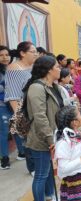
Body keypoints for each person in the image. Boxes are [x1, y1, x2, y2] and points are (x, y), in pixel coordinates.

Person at [24, 56, 64, 201]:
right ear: (48, 70)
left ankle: (49, 196)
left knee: (48, 172)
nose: (60, 69)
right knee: (41, 174)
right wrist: (49, 139)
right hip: (41, 138)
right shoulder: (36, 87)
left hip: (52, 136)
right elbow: (39, 116)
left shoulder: (53, 86)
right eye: (57, 67)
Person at [5, 41, 37, 172]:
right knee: (29, 142)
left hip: (35, 109)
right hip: (24, 112)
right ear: (23, 53)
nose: (35, 54)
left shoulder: (31, 67)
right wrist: (20, 117)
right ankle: (33, 169)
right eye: (33, 52)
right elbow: (13, 96)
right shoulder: (13, 68)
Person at [0, 45, 12, 169]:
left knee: (17, 129)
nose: (5, 57)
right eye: (1, 55)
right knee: (3, 131)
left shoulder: (12, 69)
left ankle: (22, 152)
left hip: (14, 104)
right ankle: (4, 158)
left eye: (6, 55)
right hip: (2, 105)